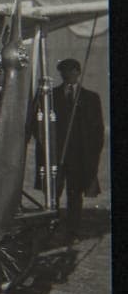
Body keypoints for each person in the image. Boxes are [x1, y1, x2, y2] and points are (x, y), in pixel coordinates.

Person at [51, 58, 104, 238]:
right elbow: (38, 123)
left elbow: (98, 130)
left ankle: (72, 228)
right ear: (61, 73)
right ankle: (52, 222)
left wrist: (92, 153)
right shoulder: (50, 96)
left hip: (79, 155)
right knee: (53, 191)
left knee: (75, 192)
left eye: (72, 70)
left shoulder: (90, 98)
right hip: (56, 154)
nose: (68, 74)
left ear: (78, 72)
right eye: (65, 71)